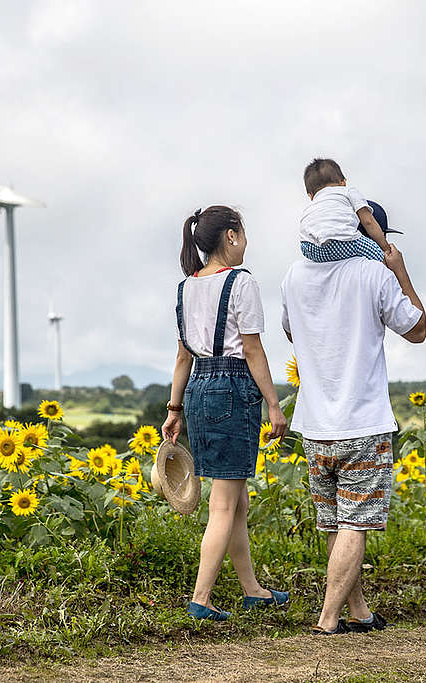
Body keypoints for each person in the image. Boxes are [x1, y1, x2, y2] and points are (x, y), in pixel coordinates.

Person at [280, 222, 426, 634]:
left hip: (314, 427)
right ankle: (328, 621)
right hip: (362, 424)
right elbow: (417, 329)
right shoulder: (375, 274)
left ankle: (358, 611)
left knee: (335, 523)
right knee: (354, 525)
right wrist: (399, 270)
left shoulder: (295, 275)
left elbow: (291, 332)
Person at [162, 205, 289, 621]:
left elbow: (183, 357)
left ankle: (253, 590)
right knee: (223, 504)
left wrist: (175, 408)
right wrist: (274, 403)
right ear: (231, 236)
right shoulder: (240, 283)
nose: (247, 243)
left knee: (236, 502)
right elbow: (252, 349)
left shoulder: (185, 288)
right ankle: (201, 599)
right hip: (233, 389)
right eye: (244, 234)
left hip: (198, 389)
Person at [299, 158, 391, 264]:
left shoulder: (311, 206)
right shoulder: (348, 191)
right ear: (343, 182)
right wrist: (385, 249)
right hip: (339, 243)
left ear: (310, 195)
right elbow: (368, 221)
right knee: (381, 259)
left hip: (310, 248)